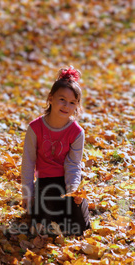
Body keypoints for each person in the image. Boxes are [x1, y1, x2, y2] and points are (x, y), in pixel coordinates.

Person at [21, 66, 90, 236]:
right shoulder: (35, 128)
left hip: (67, 179)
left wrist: (72, 191)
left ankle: (75, 209)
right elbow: (28, 162)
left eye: (72, 102)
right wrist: (27, 194)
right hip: (45, 181)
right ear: (50, 98)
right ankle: (41, 206)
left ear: (77, 106)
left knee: (79, 224)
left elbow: (73, 164)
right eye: (62, 99)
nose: (66, 106)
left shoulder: (76, 132)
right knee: (47, 222)